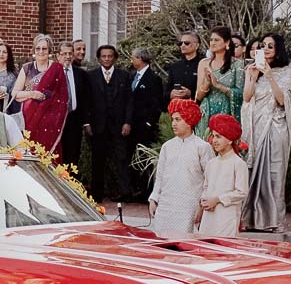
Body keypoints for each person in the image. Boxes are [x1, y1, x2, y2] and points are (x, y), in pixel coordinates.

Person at [241, 33, 291, 232]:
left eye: (271, 46)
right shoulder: (252, 69)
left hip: (274, 127)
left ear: (278, 49)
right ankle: (252, 220)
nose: (267, 48)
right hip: (254, 128)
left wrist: (270, 74)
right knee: (252, 172)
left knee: (274, 174)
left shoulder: (286, 71)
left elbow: (282, 100)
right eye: (264, 45)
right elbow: (247, 97)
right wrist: (253, 77)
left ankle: (274, 221)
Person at [148, 99, 209, 239]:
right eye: (173, 119)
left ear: (189, 120)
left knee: (185, 246)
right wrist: (154, 198)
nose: (174, 123)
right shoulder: (167, 147)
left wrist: (202, 206)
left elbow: (209, 180)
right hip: (166, 205)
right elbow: (160, 176)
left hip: (189, 206)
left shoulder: (202, 147)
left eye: (178, 119)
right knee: (162, 244)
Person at [85, 45, 130, 202]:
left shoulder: (124, 76)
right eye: (103, 56)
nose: (107, 59)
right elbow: (86, 102)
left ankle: (124, 193)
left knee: (121, 158)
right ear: (99, 59)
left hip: (118, 125)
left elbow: (129, 101)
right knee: (98, 160)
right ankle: (97, 194)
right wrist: (87, 123)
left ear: (115, 58)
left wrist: (127, 122)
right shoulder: (91, 76)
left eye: (110, 56)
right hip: (98, 125)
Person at [15, 34, 68, 159]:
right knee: (30, 152)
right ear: (34, 50)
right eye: (38, 48)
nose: (41, 51)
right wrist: (32, 94)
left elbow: (63, 98)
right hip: (29, 119)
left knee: (48, 155)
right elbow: (15, 93)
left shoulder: (56, 69)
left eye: (44, 48)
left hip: (50, 121)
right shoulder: (27, 68)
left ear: (49, 50)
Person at [125, 48, 167, 201]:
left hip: (145, 126)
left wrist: (149, 122)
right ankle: (134, 189)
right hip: (131, 124)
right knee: (132, 157)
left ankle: (145, 192)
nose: (131, 61)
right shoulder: (131, 76)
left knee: (144, 158)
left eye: (133, 58)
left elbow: (156, 103)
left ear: (140, 58)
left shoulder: (153, 78)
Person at [198, 114, 249, 237]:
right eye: (213, 136)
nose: (214, 140)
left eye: (218, 137)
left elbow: (241, 192)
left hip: (227, 218)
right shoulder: (211, 163)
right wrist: (205, 200)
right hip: (208, 217)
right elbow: (206, 187)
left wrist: (217, 200)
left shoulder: (238, 164)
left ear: (230, 139)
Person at [195, 26, 243, 125]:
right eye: (211, 40)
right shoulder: (204, 63)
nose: (212, 43)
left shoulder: (237, 64)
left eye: (216, 40)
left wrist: (218, 86)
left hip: (227, 115)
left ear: (227, 42)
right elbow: (198, 97)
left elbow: (240, 94)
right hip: (206, 114)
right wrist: (206, 84)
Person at [168, 32, 203, 102]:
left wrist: (191, 94)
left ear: (197, 45)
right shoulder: (175, 66)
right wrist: (171, 94)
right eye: (180, 43)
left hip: (198, 108)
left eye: (187, 43)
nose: (182, 45)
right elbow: (167, 89)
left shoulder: (203, 64)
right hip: (177, 108)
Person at [0, 41, 20, 115]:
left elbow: (16, 94)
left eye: (4, 52)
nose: (1, 54)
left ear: (9, 55)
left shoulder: (14, 74)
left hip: (7, 112)